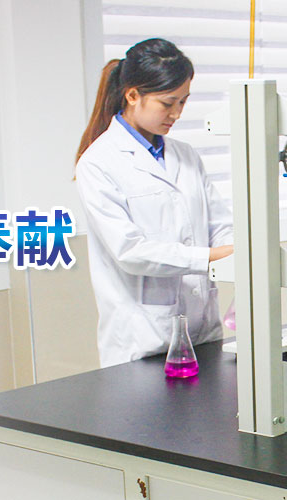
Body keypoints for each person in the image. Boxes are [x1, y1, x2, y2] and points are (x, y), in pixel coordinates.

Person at [74, 38, 234, 367]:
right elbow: (130, 251)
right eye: (167, 103)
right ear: (132, 95)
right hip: (143, 341)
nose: (176, 113)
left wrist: (236, 249)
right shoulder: (98, 163)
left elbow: (219, 225)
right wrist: (208, 257)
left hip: (203, 332)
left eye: (183, 101)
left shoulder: (185, 156)